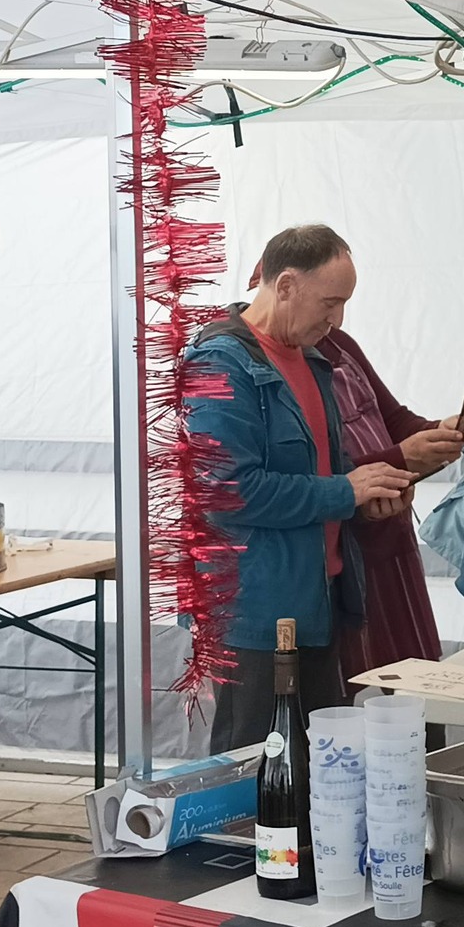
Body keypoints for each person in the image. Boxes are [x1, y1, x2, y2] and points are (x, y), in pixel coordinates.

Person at [186, 225, 411, 748]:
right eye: (331, 303)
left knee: (319, 764)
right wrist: (344, 493)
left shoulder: (312, 359)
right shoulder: (219, 363)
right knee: (253, 763)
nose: (338, 320)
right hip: (252, 611)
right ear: (285, 285)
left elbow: (325, 463)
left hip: (317, 602)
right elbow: (227, 492)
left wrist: (366, 498)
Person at [320, 326, 464, 680]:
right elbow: (321, 473)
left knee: (414, 677)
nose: (334, 318)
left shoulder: (340, 344)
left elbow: (393, 419)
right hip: (344, 546)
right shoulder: (285, 363)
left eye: (342, 303)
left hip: (393, 535)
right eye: (329, 302)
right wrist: (401, 457)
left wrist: (439, 432)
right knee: (348, 686)